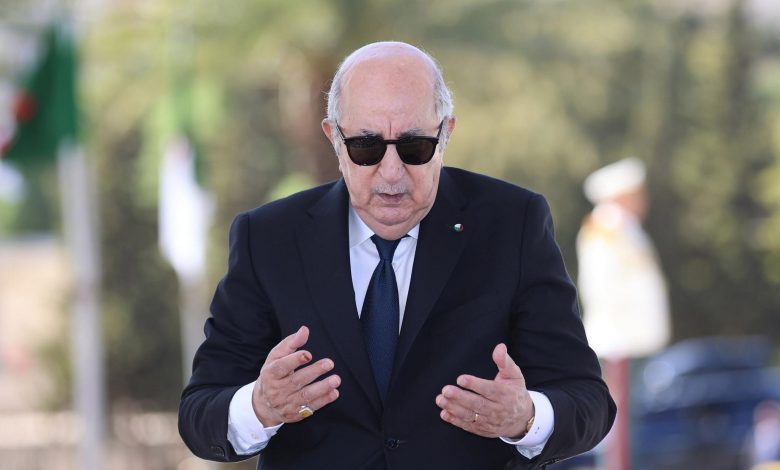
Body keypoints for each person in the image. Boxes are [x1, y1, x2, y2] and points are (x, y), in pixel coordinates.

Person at [179, 41, 615, 470]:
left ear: (446, 133)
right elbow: (200, 412)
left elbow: (588, 400)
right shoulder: (268, 238)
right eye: (366, 147)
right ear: (334, 138)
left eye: (414, 147)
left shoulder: (512, 224)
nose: (391, 173)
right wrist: (259, 407)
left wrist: (526, 418)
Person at [576, 157, 671, 470]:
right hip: (620, 343)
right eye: (636, 193)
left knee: (632, 427)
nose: (642, 200)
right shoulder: (607, 228)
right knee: (621, 430)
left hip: (633, 342)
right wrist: (615, 338)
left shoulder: (624, 228)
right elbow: (601, 288)